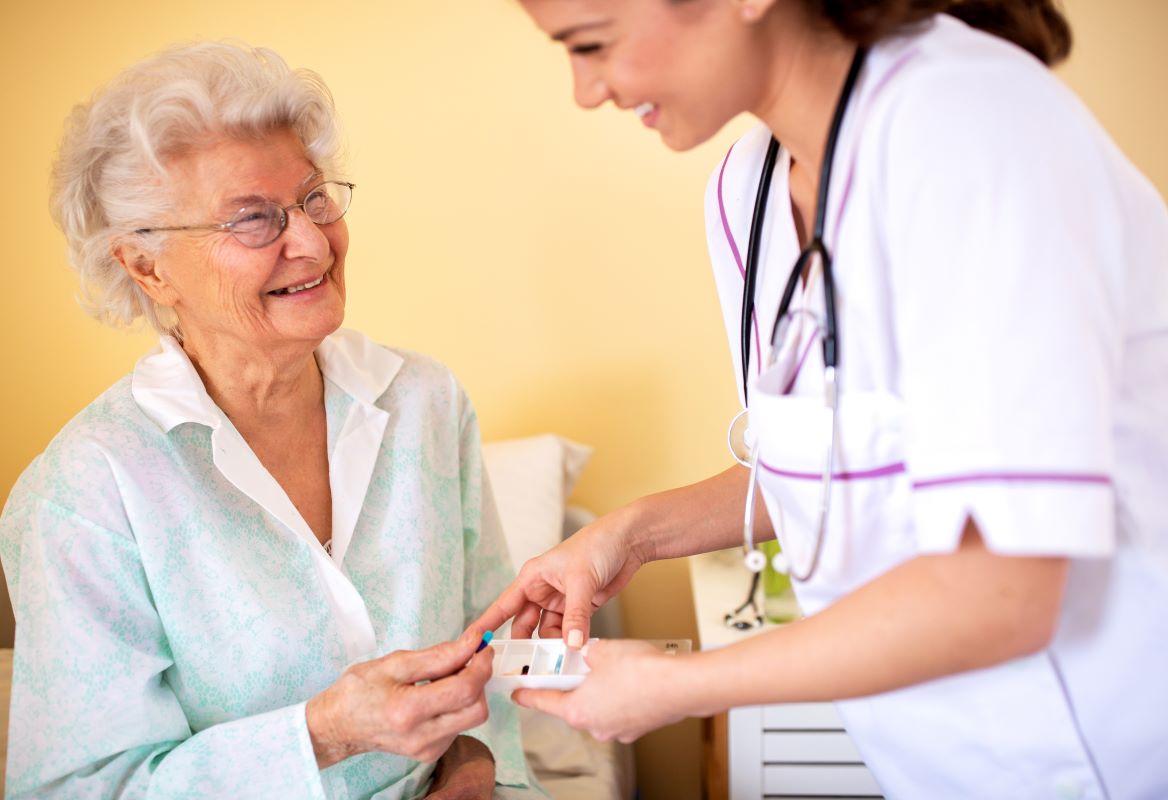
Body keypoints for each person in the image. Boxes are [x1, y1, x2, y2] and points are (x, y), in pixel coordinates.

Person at [473, 1, 1168, 797]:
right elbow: (846, 462)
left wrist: (679, 685)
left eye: (592, 44)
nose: (585, 90)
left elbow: (1004, 593)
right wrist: (626, 536)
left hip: (1105, 753)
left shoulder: (971, 129)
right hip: (935, 759)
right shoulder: (751, 189)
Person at [0, 42, 542, 800]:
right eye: (254, 220)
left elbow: (495, 642)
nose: (314, 242)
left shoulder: (426, 401)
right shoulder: (85, 493)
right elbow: (82, 789)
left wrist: (478, 766)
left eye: (315, 199)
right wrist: (323, 734)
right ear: (146, 266)